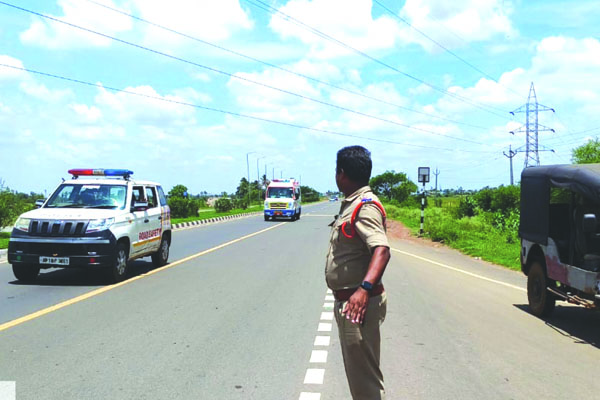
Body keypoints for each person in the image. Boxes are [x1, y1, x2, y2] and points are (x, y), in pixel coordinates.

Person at [325, 145, 391, 400]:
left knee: (365, 381)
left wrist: (364, 290)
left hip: (358, 305)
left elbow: (381, 250)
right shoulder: (352, 204)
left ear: (341, 173)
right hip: (350, 302)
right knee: (359, 377)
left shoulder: (364, 206)